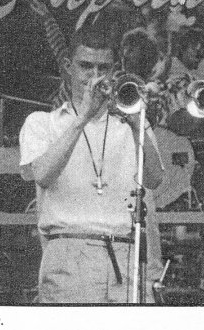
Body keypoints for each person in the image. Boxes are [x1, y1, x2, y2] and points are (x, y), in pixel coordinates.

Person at [19, 25, 164, 303]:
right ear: (68, 67)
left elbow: (155, 180)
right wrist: (83, 117)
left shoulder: (131, 122)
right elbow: (43, 175)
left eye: (103, 68)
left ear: (115, 70)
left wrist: (137, 125)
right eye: (86, 66)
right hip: (69, 252)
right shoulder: (41, 123)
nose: (95, 77)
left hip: (125, 254)